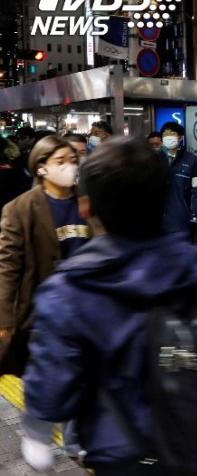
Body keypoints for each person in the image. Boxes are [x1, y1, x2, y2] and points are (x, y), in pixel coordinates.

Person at [23, 138, 197, 476]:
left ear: (85, 207)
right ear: (164, 196)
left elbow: (53, 392)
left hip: (125, 457)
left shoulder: (68, 292)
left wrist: (37, 436)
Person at [0, 135, 90, 470]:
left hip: (85, 310)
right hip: (43, 313)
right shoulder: (20, 208)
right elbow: (7, 267)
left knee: (83, 374)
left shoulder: (87, 202)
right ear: (41, 167)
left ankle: (75, 441)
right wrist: (5, 319)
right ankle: (37, 428)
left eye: (73, 159)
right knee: (50, 376)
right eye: (62, 161)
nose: (71, 166)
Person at [158, 122, 197, 235]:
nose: (168, 137)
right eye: (165, 135)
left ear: (180, 137)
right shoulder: (153, 159)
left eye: (172, 134)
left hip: (181, 219)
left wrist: (194, 214)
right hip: (157, 219)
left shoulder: (192, 161)